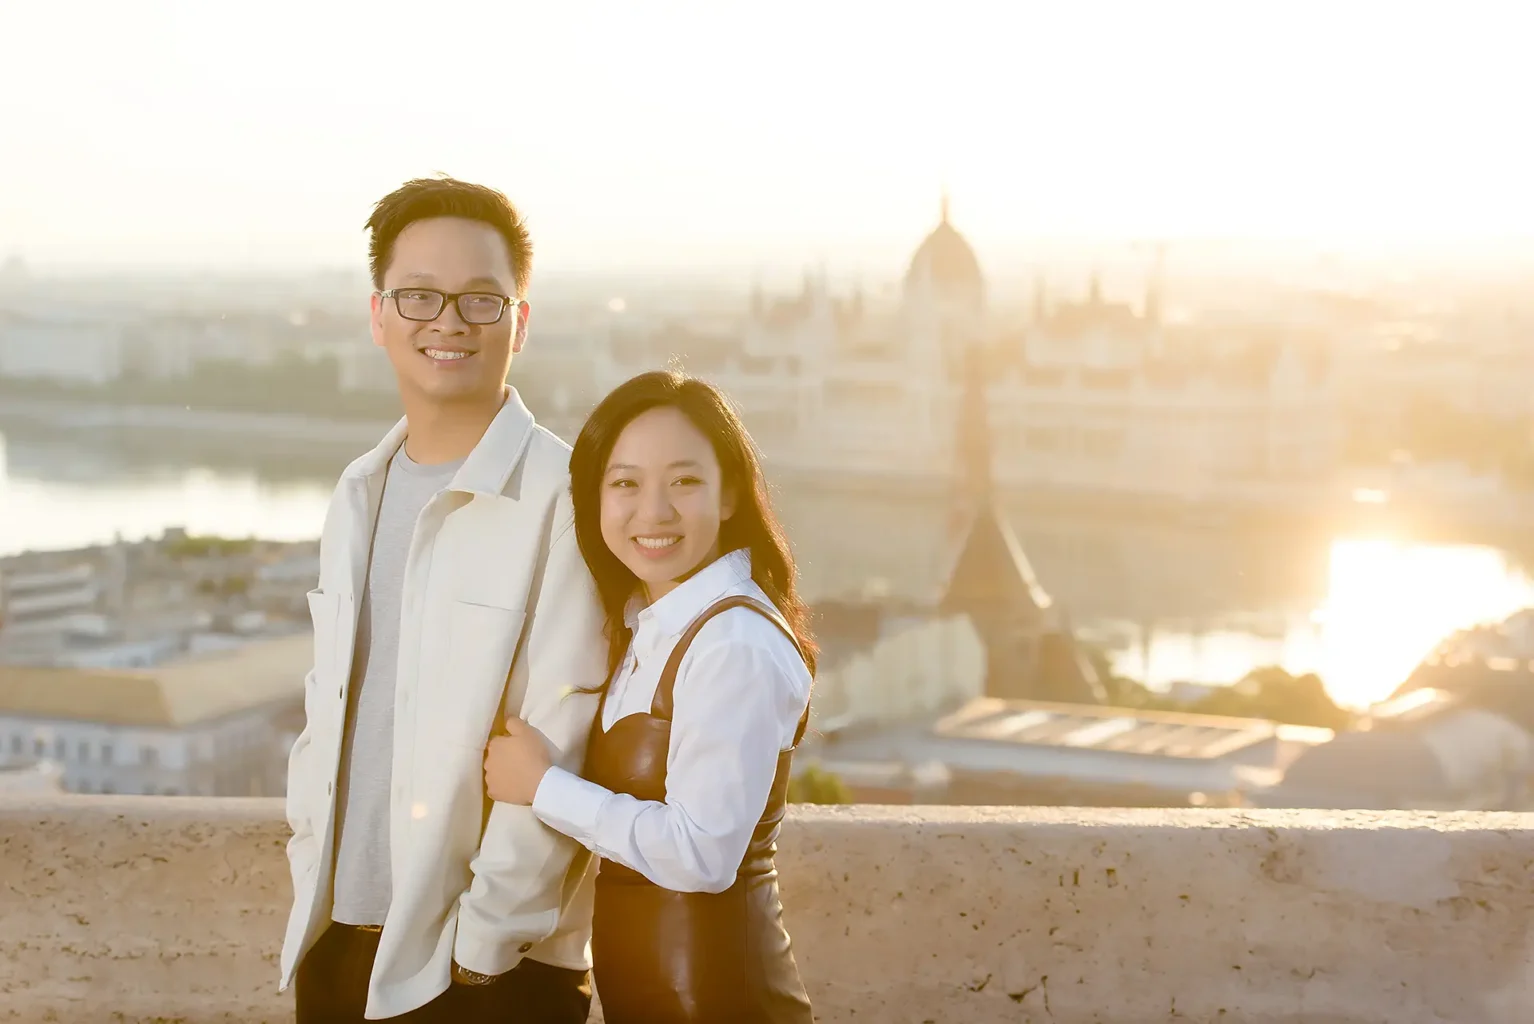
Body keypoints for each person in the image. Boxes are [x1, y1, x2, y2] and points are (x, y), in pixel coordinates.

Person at [277, 176, 606, 1023]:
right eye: (419, 296)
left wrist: (482, 950)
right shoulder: (357, 493)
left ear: (520, 322)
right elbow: (328, 709)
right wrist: (311, 862)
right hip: (338, 945)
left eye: (480, 300)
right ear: (379, 314)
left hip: (484, 975)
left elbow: (565, 739)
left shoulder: (568, 499)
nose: (448, 323)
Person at [483, 370, 817, 1023]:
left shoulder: (734, 643)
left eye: (684, 482)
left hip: (722, 1006)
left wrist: (542, 786)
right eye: (625, 484)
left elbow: (702, 855)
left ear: (729, 495)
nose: (654, 512)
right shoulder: (649, 624)